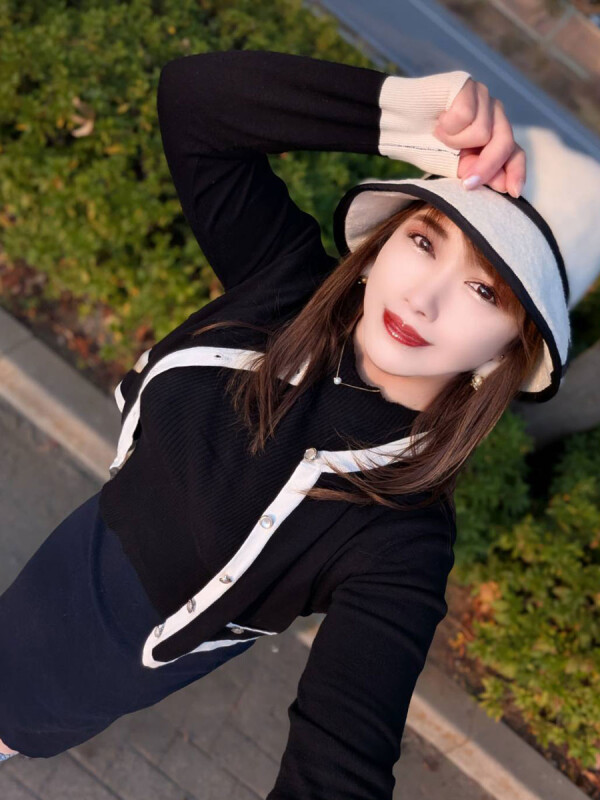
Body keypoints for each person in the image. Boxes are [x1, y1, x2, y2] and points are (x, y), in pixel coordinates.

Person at [0, 47, 582, 798]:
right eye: (424, 240)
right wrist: (402, 115)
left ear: (510, 349)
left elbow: (338, 764)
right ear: (378, 248)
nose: (423, 298)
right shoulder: (283, 288)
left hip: (60, 688)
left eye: (484, 290)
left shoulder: (400, 536)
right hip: (44, 582)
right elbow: (195, 101)